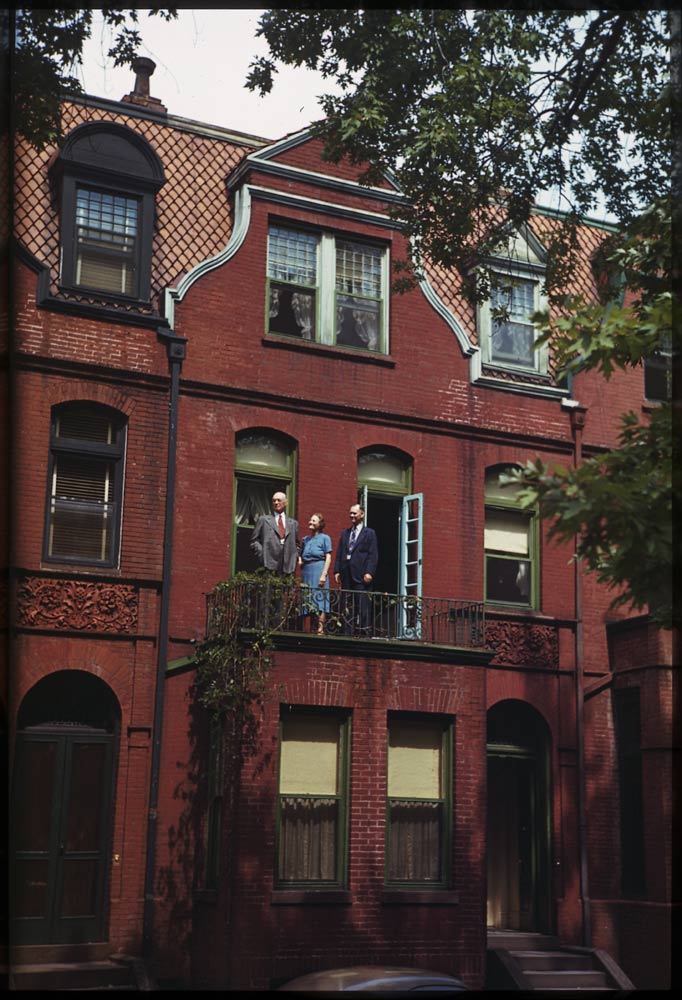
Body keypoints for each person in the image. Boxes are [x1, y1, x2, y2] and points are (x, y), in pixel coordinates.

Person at [334, 503, 378, 634]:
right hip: (346, 574)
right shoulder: (345, 533)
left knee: (362, 605)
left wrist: (369, 572)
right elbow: (340, 552)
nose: (351, 515)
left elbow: (373, 554)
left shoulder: (369, 533)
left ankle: (364, 633)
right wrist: (337, 570)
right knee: (347, 604)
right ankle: (347, 632)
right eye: (350, 513)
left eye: (354, 513)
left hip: (361, 575)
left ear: (362, 514)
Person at [250, 491, 300, 574]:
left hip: (287, 565)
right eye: (274, 501)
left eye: (279, 500)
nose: (276, 503)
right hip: (268, 563)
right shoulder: (264, 520)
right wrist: (262, 554)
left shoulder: (293, 523)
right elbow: (254, 541)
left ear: (286, 503)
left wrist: (294, 557)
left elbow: (297, 544)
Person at [298, 513, 332, 634]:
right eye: (310, 520)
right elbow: (301, 553)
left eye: (314, 521)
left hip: (319, 569)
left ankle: (320, 629)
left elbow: (328, 557)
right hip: (307, 571)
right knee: (306, 598)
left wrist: (324, 574)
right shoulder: (305, 539)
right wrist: (300, 560)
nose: (310, 522)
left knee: (320, 599)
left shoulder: (325, 538)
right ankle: (306, 629)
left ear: (320, 524)